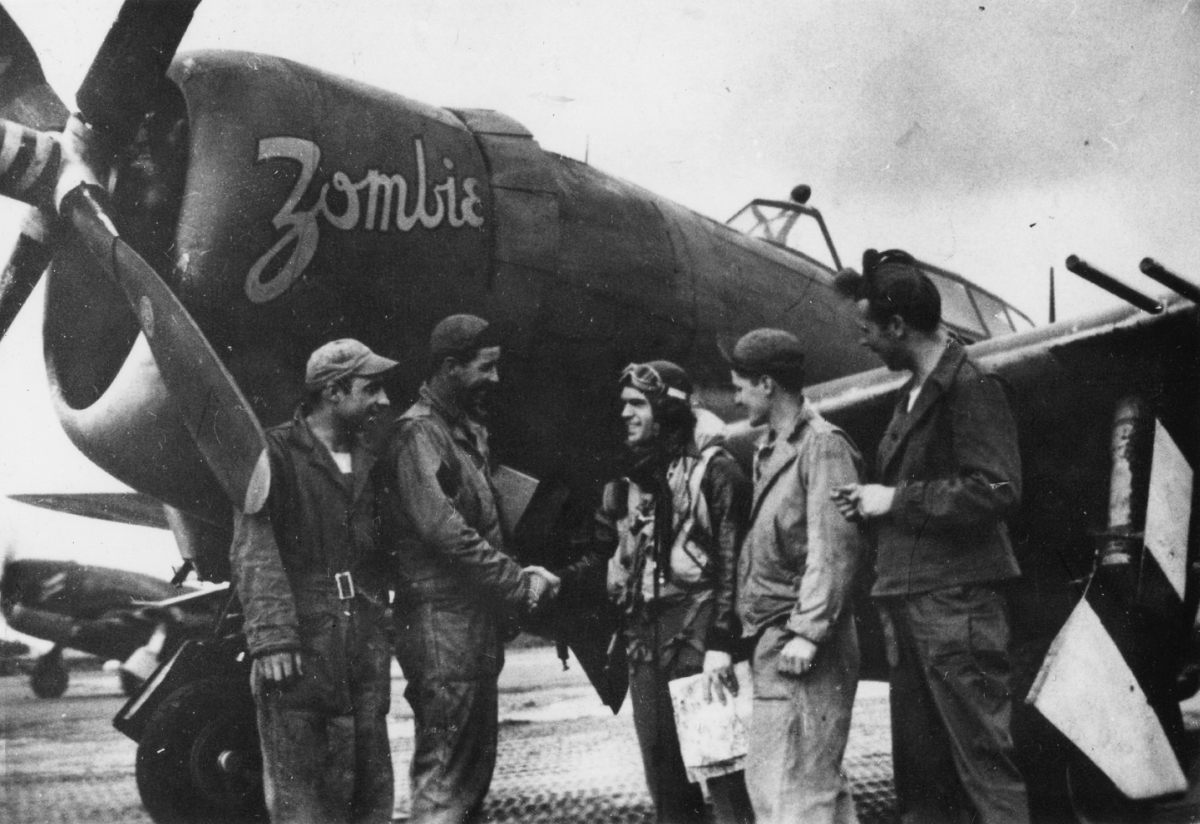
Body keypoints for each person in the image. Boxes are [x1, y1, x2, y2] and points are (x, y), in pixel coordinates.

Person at [832, 249, 1030, 824]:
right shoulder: (911, 394)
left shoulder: (972, 386)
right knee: (924, 780)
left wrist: (894, 499)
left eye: (869, 330)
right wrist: (871, 503)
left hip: (956, 607)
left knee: (984, 771)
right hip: (914, 603)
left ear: (898, 326)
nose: (865, 342)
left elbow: (996, 489)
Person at [377, 313, 559, 824]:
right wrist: (517, 584)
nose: (496, 380)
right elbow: (446, 533)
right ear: (451, 367)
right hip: (443, 626)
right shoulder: (418, 436)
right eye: (486, 368)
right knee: (445, 781)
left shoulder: (457, 432)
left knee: (467, 779)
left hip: (466, 626)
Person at [570, 360, 754, 824]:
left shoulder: (718, 472)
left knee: (725, 775)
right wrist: (557, 582)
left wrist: (722, 644)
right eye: (624, 405)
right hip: (645, 647)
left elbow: (733, 567)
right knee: (665, 780)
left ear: (665, 410)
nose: (626, 414)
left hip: (698, 641)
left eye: (637, 404)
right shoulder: (627, 484)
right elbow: (602, 555)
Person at [231, 338, 398, 824]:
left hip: (362, 644)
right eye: (372, 389)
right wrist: (273, 639)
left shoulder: (369, 457)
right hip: (302, 648)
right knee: (302, 800)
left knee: (371, 796)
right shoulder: (275, 454)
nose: (384, 401)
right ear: (333, 391)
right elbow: (253, 548)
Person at [727, 329, 864, 824]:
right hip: (777, 643)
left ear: (767, 383)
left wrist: (807, 633)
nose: (736, 395)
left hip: (803, 647)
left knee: (792, 796)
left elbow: (835, 547)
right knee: (806, 788)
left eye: (741, 384)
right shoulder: (773, 449)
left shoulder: (823, 448)